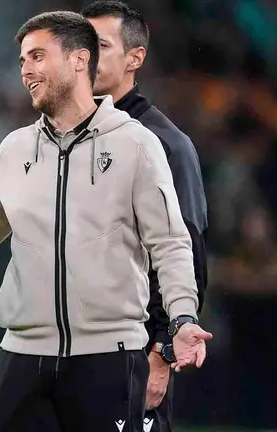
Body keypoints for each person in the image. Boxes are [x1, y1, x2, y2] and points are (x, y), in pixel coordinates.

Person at [0, 11, 212, 432]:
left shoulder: (136, 143)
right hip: (21, 359)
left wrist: (182, 319)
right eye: (21, 61)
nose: (26, 70)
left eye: (37, 56)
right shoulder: (15, 148)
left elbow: (171, 243)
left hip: (109, 358)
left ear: (77, 59)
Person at [82, 2, 209, 431]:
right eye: (80, 45)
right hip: (74, 352)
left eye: (100, 45)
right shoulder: (70, 139)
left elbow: (185, 252)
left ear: (135, 58)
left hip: (134, 354)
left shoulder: (167, 144)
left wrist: (162, 352)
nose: (86, 57)